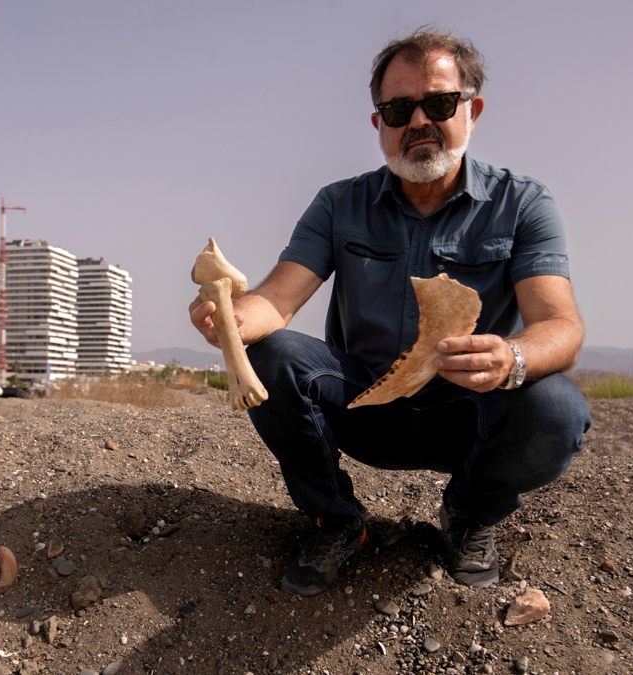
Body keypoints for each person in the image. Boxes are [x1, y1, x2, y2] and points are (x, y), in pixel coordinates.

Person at [188, 30, 592, 595]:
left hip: (468, 411)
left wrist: (512, 357)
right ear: (378, 124)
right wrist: (227, 319)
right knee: (273, 354)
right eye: (399, 109)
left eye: (440, 103)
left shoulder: (522, 204)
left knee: (556, 405)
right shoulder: (338, 204)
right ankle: (337, 521)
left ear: (471, 110)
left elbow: (561, 326)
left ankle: (468, 516)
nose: (419, 121)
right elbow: (276, 301)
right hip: (364, 406)